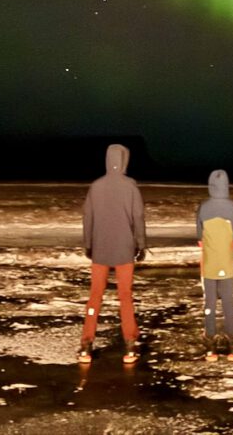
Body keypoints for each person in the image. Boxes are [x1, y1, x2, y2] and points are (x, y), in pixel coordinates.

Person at [78, 143, 146, 365]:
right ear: (124, 160)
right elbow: (138, 218)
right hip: (125, 249)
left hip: (100, 249)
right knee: (125, 296)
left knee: (95, 296)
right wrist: (140, 245)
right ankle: (129, 343)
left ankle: (86, 344)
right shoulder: (130, 187)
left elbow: (88, 217)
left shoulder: (96, 186)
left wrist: (88, 244)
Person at [196, 168, 233, 361]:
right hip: (227, 264)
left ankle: (211, 346)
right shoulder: (231, 207)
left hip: (209, 264)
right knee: (228, 303)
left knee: (210, 303)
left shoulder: (204, 207)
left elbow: (199, 237)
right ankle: (232, 346)